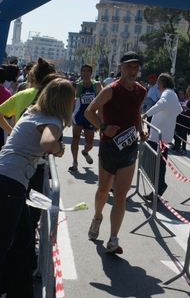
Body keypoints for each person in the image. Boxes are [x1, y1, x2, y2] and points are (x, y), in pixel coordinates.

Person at [0, 77, 75, 298]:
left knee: (20, 240)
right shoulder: (51, 120)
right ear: (64, 102)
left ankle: (14, 295)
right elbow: (47, 142)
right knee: (5, 244)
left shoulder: (33, 113)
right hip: (10, 182)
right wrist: (58, 148)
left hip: (9, 177)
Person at [85, 51, 147, 254]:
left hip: (129, 149)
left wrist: (141, 130)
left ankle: (113, 239)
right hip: (109, 147)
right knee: (103, 190)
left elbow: (136, 113)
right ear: (120, 67)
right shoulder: (111, 90)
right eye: (129, 66)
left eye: (136, 67)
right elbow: (89, 112)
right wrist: (103, 127)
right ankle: (96, 217)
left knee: (121, 196)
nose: (133, 70)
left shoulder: (141, 91)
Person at [141, 73, 182, 200]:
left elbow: (160, 105)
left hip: (158, 136)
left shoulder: (167, 93)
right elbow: (179, 110)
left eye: (158, 83)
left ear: (162, 83)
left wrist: (145, 115)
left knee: (148, 163)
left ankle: (159, 187)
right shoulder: (173, 94)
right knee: (157, 164)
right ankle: (157, 189)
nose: (157, 86)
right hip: (163, 136)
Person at [69, 64, 102, 171]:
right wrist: (69, 116)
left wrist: (99, 120)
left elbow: (102, 102)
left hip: (90, 117)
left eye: (88, 70)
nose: (86, 73)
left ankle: (85, 152)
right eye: (84, 70)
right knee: (75, 138)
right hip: (79, 115)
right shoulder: (78, 86)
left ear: (91, 73)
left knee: (90, 143)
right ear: (81, 72)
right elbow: (73, 102)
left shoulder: (96, 85)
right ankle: (74, 162)